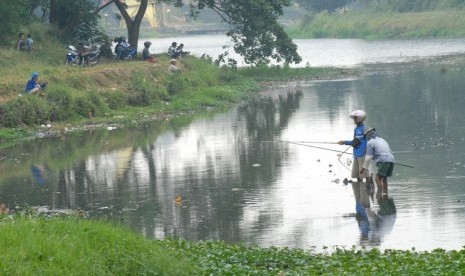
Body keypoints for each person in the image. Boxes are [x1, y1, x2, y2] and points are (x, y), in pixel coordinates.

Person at [337, 110, 371, 186]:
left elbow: (369, 141)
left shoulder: (365, 129)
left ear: (359, 118)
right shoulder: (356, 129)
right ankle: (359, 193)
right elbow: (354, 141)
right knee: (355, 175)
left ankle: (368, 189)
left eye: (355, 118)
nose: (354, 120)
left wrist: (365, 150)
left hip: (362, 155)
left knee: (364, 174)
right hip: (356, 154)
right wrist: (344, 142)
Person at [360, 127, 395, 198]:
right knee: (384, 179)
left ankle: (380, 195)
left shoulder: (370, 142)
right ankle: (385, 194)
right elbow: (382, 152)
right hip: (391, 159)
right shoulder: (382, 140)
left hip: (384, 160)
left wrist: (363, 168)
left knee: (377, 178)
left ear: (367, 135)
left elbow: (368, 157)